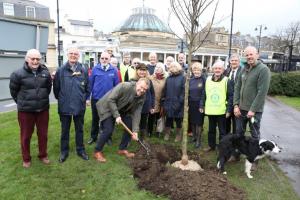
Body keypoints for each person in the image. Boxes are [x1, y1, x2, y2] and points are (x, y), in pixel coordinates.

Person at [9, 49, 52, 168]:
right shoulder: (17, 74)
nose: (35, 61)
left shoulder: (45, 72)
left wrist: (40, 100)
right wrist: (23, 103)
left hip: (43, 110)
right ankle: (26, 158)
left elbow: (48, 88)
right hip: (25, 111)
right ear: (27, 59)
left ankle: (43, 155)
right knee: (26, 135)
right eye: (32, 58)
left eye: (38, 59)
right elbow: (14, 92)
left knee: (43, 134)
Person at [93, 78, 149, 163]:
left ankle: (122, 149)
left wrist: (135, 131)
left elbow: (137, 113)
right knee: (108, 130)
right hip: (107, 107)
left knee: (129, 124)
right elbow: (110, 99)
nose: (142, 90)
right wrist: (116, 115)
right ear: (137, 83)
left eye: (145, 89)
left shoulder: (143, 96)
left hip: (121, 109)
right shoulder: (125, 86)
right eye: (141, 87)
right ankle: (97, 151)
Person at [53, 47, 90, 163]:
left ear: (78, 56)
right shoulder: (61, 70)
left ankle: (80, 150)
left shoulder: (83, 69)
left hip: (79, 105)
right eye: (71, 53)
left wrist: (83, 98)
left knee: (79, 130)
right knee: (65, 130)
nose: (73, 55)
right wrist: (63, 99)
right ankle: (64, 151)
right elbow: (56, 89)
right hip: (65, 106)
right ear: (67, 55)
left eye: (75, 54)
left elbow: (88, 87)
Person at [234, 46, 271, 140]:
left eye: (251, 54)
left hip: (254, 111)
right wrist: (236, 105)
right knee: (239, 133)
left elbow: (262, 92)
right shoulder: (243, 69)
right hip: (240, 109)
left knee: (254, 134)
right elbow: (237, 87)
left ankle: (256, 154)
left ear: (257, 55)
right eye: (246, 55)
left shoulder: (263, 70)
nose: (249, 57)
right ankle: (238, 152)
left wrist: (253, 110)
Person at [87, 52, 119, 145]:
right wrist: (88, 98)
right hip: (96, 99)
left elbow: (117, 86)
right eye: (102, 58)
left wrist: (116, 98)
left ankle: (108, 137)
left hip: (109, 100)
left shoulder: (114, 70)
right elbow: (90, 84)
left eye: (106, 58)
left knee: (108, 119)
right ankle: (93, 137)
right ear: (100, 59)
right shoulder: (95, 69)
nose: (104, 60)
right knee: (95, 118)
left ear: (109, 60)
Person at [202, 60, 233, 152]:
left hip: (221, 111)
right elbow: (204, 93)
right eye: (215, 68)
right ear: (212, 69)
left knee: (222, 131)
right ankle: (211, 146)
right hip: (211, 110)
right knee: (211, 130)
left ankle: (222, 147)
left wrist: (228, 110)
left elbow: (231, 96)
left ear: (223, 70)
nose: (217, 70)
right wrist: (202, 105)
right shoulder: (207, 79)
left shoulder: (227, 80)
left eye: (219, 68)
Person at [162, 62, 185, 142]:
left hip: (178, 102)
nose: (173, 68)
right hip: (169, 102)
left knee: (178, 120)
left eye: (175, 66)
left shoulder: (182, 78)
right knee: (168, 119)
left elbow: (183, 91)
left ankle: (178, 135)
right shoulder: (168, 78)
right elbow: (165, 90)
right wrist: (164, 101)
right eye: (171, 67)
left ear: (178, 67)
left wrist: (180, 101)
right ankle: (167, 133)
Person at [131, 63, 155, 139]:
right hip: (135, 105)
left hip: (145, 105)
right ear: (137, 71)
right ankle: (132, 136)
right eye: (140, 70)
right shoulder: (132, 81)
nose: (142, 72)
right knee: (133, 121)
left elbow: (152, 93)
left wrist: (152, 106)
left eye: (144, 70)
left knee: (143, 122)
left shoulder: (149, 81)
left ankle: (142, 137)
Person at [188, 62, 206, 148]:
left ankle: (198, 140)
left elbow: (204, 93)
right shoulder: (190, 80)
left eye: (198, 70)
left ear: (201, 70)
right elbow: (188, 92)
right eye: (194, 70)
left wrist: (202, 105)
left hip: (200, 104)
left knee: (199, 123)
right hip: (191, 104)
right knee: (192, 121)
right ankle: (194, 137)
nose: (196, 71)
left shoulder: (203, 80)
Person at [224, 54, 242, 134]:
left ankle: (235, 143)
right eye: (232, 60)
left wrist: (237, 104)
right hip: (227, 102)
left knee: (236, 125)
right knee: (226, 123)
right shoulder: (227, 71)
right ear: (230, 62)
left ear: (239, 61)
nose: (234, 62)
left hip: (238, 102)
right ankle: (227, 141)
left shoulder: (243, 71)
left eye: (236, 60)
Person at [149, 62, 167, 137]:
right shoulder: (151, 77)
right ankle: (149, 131)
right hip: (152, 100)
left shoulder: (165, 79)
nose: (157, 69)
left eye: (159, 67)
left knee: (159, 116)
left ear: (162, 69)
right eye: (156, 67)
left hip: (161, 100)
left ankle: (158, 131)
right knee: (151, 116)